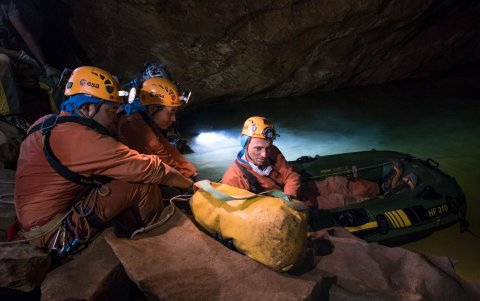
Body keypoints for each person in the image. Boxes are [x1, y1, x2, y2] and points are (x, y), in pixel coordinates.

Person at [12, 66, 193, 254]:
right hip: (56, 234)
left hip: (37, 223)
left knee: (120, 178)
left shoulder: (47, 121)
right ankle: (159, 244)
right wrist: (189, 186)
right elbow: (151, 168)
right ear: (87, 108)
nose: (117, 115)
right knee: (140, 183)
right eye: (112, 109)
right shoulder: (80, 139)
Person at [222, 116, 416, 209]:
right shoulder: (234, 178)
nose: (264, 154)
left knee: (339, 183)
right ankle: (388, 200)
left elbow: (291, 175)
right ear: (245, 144)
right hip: (291, 209)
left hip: (296, 195)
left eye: (268, 147)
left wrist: (289, 196)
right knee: (340, 199)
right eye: (258, 149)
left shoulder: (272, 152)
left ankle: (381, 187)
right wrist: (288, 205)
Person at [117, 77, 199, 181]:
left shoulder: (145, 119)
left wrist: (194, 173)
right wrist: (189, 181)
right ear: (153, 109)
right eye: (171, 112)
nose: (173, 119)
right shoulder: (132, 123)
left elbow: (169, 149)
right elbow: (162, 157)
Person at [0, 0, 59, 132]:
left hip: (14, 66)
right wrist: (19, 55)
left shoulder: (6, 4)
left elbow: (26, 35)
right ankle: (12, 115)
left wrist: (45, 66)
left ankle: (64, 120)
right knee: (2, 61)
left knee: (53, 82)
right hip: (5, 65)